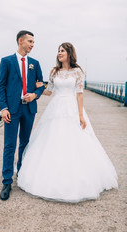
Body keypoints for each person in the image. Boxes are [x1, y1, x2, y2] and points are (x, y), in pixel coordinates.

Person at [17, 42, 118, 203]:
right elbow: (50, 91)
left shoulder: (77, 72)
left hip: (71, 107)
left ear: (69, 53)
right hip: (55, 107)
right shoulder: (54, 71)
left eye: (62, 51)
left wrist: (80, 114)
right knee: (52, 140)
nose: (59, 53)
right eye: (58, 51)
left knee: (74, 141)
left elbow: (79, 94)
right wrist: (40, 87)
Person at [0, 30, 45, 200]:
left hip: (29, 109)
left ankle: (22, 174)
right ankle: (6, 181)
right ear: (20, 41)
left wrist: (35, 95)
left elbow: (41, 85)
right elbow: (1, 86)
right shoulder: (7, 61)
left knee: (25, 143)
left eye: (33, 42)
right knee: (9, 145)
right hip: (12, 109)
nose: (33, 44)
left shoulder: (35, 63)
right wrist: (3, 108)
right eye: (30, 41)